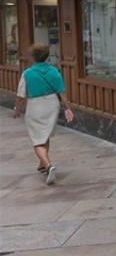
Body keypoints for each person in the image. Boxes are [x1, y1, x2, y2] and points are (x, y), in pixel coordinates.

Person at [11, 44, 72, 185]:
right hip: (52, 105)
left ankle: (49, 166)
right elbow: (62, 92)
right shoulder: (54, 71)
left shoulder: (27, 73)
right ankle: (42, 164)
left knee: (36, 139)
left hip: (35, 105)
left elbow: (21, 96)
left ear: (33, 57)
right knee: (44, 134)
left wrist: (17, 110)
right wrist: (68, 108)